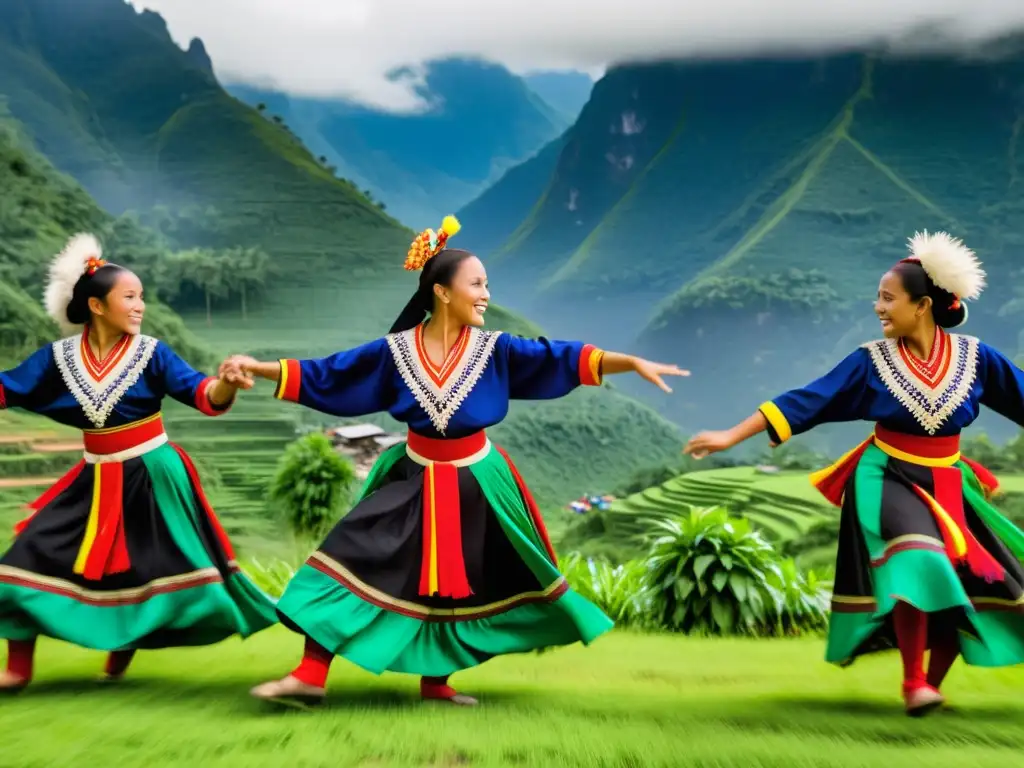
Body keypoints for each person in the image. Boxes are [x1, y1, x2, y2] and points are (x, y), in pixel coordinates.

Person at [222, 215, 689, 708]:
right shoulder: (395, 353)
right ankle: (309, 674)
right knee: (350, 556)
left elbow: (560, 359)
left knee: (460, 584)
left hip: (478, 484)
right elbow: (331, 374)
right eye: (478, 284)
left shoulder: (496, 350)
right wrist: (259, 368)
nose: (487, 294)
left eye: (487, 284)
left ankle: (437, 683)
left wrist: (629, 361)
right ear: (443, 292)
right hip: (411, 479)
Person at [683, 231, 1024, 717]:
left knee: (968, 581)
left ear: (923, 305)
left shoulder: (977, 359)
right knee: (919, 559)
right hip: (886, 474)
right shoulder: (871, 362)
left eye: (888, 298)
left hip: (948, 481)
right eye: (878, 298)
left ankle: (931, 686)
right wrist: (729, 436)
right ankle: (912, 683)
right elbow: (807, 400)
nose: (878, 307)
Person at [0, 234, 277, 693]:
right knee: (26, 556)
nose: (140, 306)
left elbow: (204, 396)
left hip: (153, 476)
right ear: (96, 305)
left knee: (151, 566)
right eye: (130, 297)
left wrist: (227, 383)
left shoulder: (152, 354)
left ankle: (122, 649)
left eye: (141, 297)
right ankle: (17, 668)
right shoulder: (59, 358)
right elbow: (9, 387)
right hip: (92, 478)